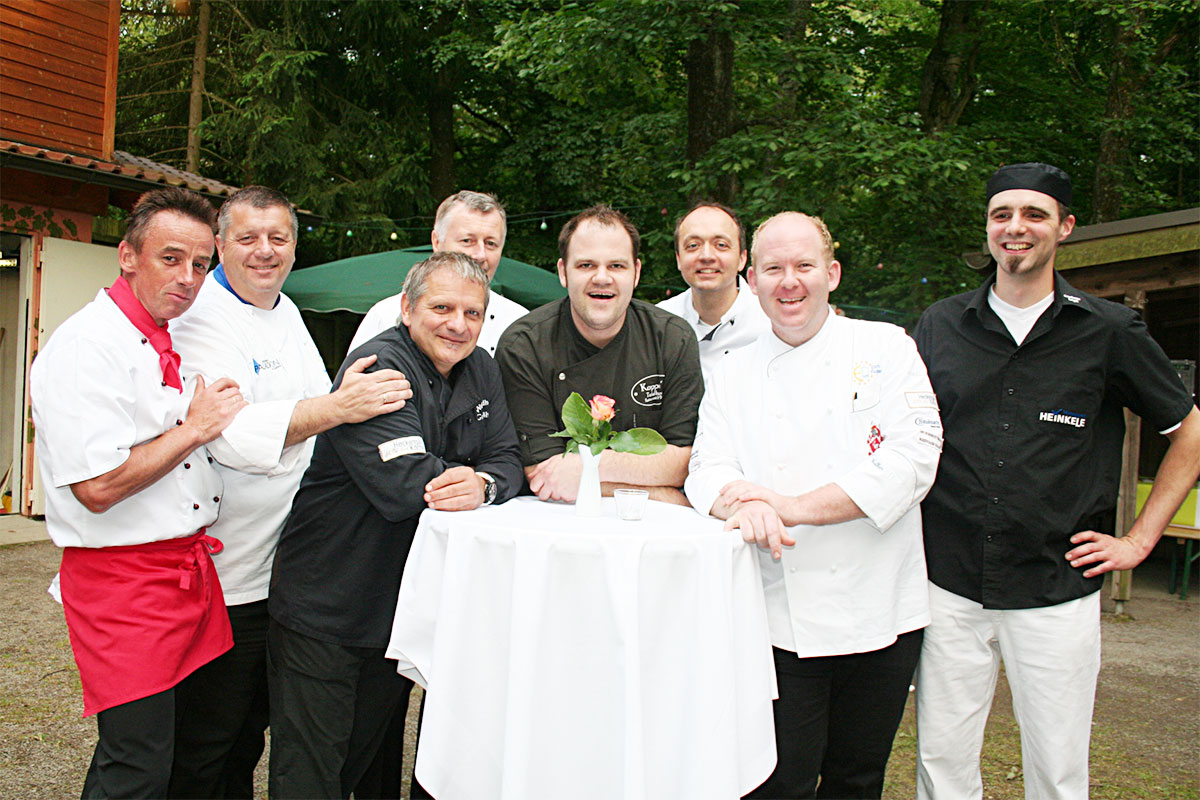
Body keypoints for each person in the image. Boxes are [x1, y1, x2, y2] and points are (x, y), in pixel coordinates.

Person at [913, 162, 1200, 800]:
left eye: (1034, 214)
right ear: (988, 227)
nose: (1016, 228)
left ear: (1065, 227)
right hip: (948, 584)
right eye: (1002, 214)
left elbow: (1189, 430)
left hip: (1056, 586)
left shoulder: (1108, 332)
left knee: (1058, 766)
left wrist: (1139, 541)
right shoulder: (939, 324)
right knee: (940, 760)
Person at [684, 211, 942, 799]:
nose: (789, 282)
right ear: (752, 281)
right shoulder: (731, 370)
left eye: (803, 266)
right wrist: (738, 504)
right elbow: (708, 465)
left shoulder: (886, 346)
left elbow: (914, 458)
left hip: (882, 608)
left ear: (833, 273)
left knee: (857, 778)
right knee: (780, 783)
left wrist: (792, 505)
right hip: (777, 618)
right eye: (773, 268)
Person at [165, 186, 412, 798]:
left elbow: (315, 420)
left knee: (264, 733)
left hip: (290, 568)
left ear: (294, 248)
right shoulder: (201, 320)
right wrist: (331, 408)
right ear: (220, 243)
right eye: (247, 238)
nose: (263, 251)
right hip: (228, 574)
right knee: (211, 741)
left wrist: (329, 412)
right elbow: (236, 435)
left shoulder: (287, 310)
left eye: (278, 238)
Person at [267, 251, 524, 798]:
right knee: (311, 773)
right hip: (328, 603)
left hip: (399, 607)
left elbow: (508, 459)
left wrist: (485, 485)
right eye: (442, 307)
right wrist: (469, 478)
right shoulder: (378, 366)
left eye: (472, 313)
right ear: (407, 309)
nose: (458, 324)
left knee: (359, 763)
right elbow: (405, 485)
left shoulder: (481, 368)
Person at [30, 187, 248, 798]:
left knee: (177, 749)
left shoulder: (156, 333)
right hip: (122, 582)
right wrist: (196, 428)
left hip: (181, 573)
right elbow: (96, 487)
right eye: (170, 258)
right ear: (127, 255)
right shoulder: (87, 346)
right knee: (138, 764)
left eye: (201, 264)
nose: (187, 278)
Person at [496, 204, 704, 505]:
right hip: (554, 523)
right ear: (562, 272)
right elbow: (543, 474)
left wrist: (587, 467)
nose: (602, 278)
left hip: (650, 526)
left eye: (617, 266)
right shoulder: (524, 346)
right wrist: (660, 492)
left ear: (636, 273)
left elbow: (684, 462)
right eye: (586, 266)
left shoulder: (672, 339)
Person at [348, 189, 527, 355]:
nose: (480, 255)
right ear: (436, 242)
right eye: (467, 240)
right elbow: (351, 387)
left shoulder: (520, 325)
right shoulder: (384, 316)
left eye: (490, 244)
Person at [657, 201, 769, 377]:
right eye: (693, 245)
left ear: (742, 258)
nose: (706, 256)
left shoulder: (771, 322)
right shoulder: (659, 323)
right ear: (678, 259)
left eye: (721, 245)